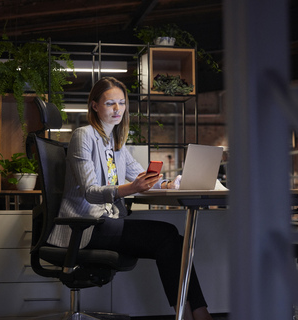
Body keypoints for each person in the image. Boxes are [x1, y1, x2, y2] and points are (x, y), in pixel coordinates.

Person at [47, 77, 213, 320]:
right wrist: (129, 188)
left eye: (122, 103)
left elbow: (141, 175)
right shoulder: (84, 136)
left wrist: (167, 183)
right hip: (85, 226)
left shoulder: (116, 143)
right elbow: (90, 192)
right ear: (94, 106)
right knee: (168, 236)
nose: (117, 110)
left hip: (106, 222)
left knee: (174, 239)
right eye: (110, 103)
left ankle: (192, 312)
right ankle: (195, 313)